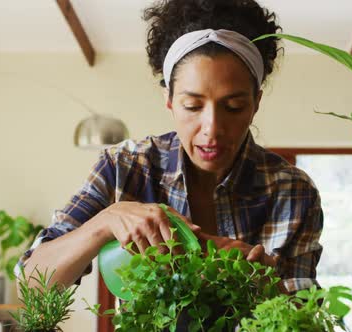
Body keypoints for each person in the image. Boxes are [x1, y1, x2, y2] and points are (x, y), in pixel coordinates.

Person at [16, 0, 322, 306]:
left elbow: (306, 312)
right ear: (169, 100)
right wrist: (105, 222)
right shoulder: (125, 167)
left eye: (233, 107)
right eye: (192, 106)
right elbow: (30, 288)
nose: (212, 128)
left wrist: (264, 284)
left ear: (256, 102)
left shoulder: (292, 191)